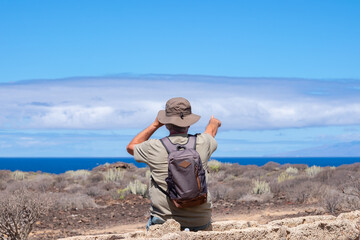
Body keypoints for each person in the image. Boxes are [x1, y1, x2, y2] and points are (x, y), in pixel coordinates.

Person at [126, 97, 221, 231]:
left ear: (166, 123)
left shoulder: (154, 147)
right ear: (189, 122)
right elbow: (211, 131)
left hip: (165, 222)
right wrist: (214, 122)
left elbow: (131, 147)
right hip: (200, 221)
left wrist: (154, 125)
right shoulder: (203, 142)